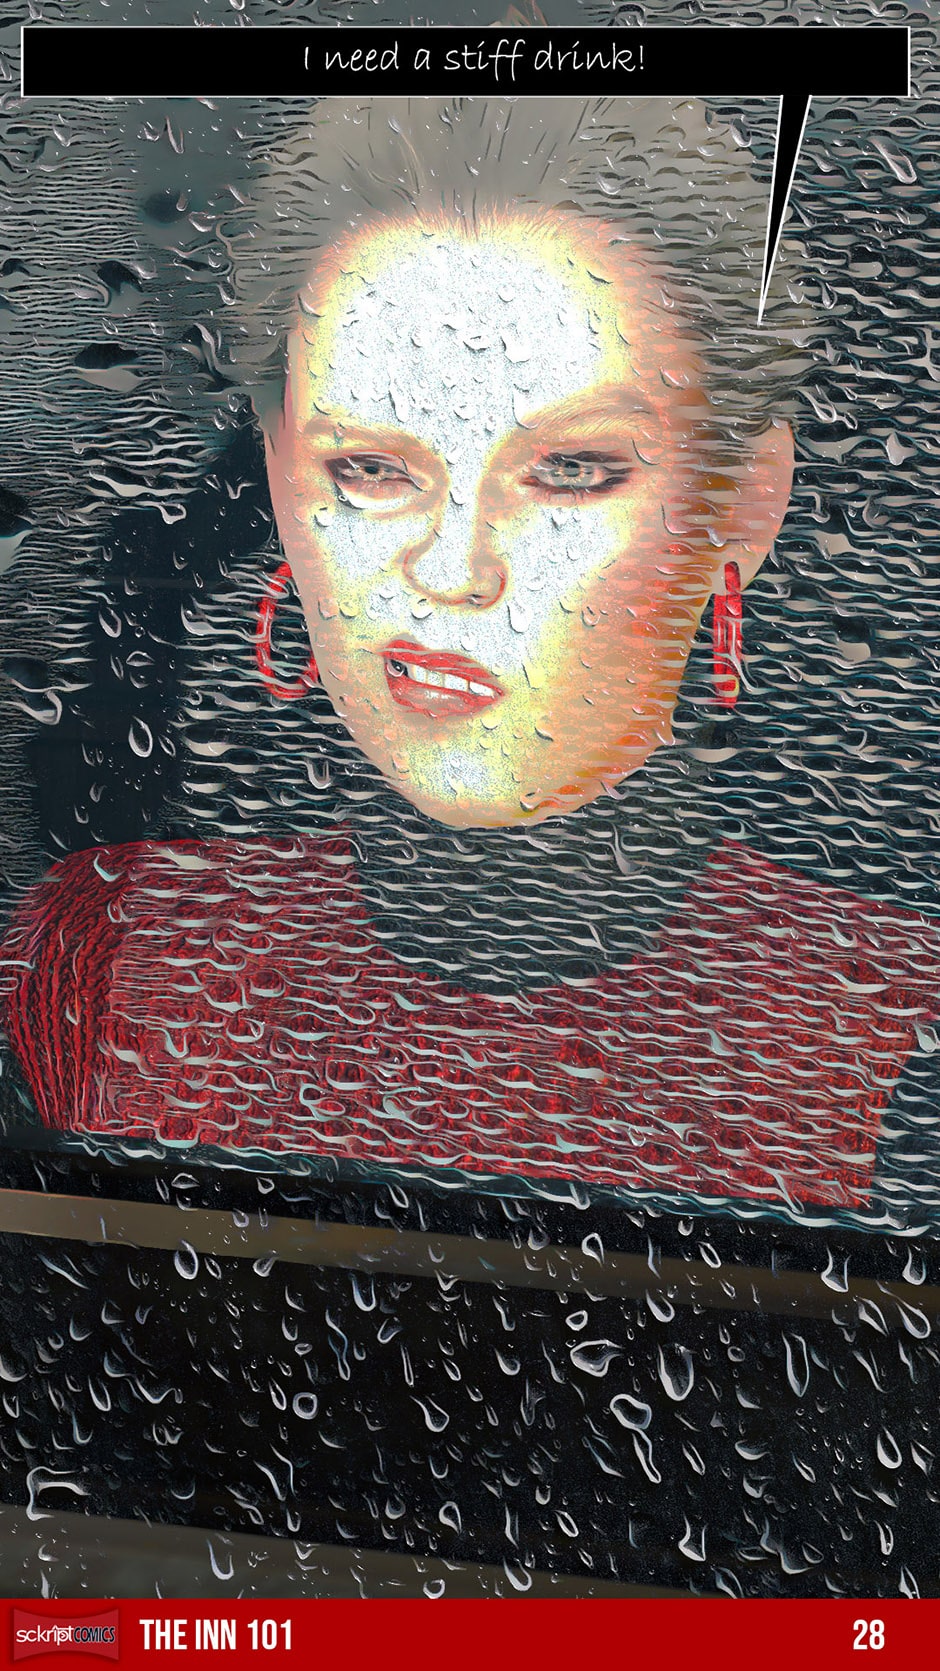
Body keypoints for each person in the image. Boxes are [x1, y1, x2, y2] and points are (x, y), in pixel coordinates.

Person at [3, 96, 939, 1222]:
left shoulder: (894, 1025)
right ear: (281, 476)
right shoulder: (105, 959)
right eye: (370, 469)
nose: (453, 570)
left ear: (742, 502)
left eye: (571, 471)